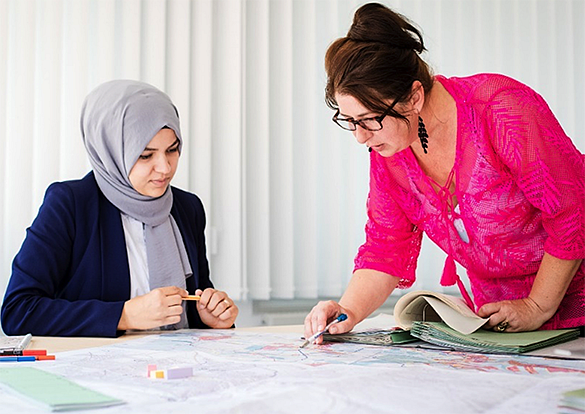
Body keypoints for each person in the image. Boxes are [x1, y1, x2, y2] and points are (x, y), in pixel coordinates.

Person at [304, 2, 585, 343]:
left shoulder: (500, 109)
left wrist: (538, 304)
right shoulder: (391, 150)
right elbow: (386, 246)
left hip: (573, 309)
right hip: (501, 327)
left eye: (369, 120)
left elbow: (572, 209)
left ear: (414, 97)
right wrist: (346, 311)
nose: (360, 137)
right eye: (349, 121)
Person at [1, 80, 238, 337]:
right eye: (146, 155)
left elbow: (193, 306)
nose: (165, 168)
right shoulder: (69, 204)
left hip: (176, 369)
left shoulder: (187, 208)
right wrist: (124, 315)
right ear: (111, 149)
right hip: (95, 371)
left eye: (172, 150)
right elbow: (18, 312)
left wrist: (212, 318)